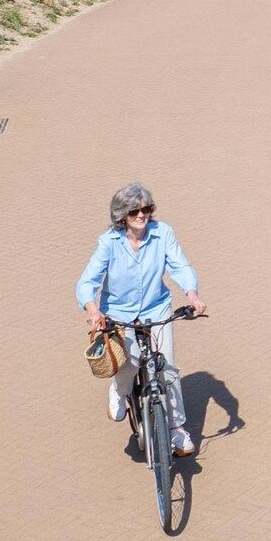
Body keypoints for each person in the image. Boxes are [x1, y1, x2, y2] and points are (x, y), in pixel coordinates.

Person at [77, 183, 206, 457]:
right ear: (122, 215)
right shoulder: (109, 243)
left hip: (156, 308)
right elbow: (88, 281)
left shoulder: (163, 234)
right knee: (131, 360)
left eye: (146, 209)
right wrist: (93, 310)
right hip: (119, 314)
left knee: (167, 367)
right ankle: (119, 392)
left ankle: (177, 430)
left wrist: (192, 294)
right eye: (135, 210)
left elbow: (180, 266)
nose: (142, 215)